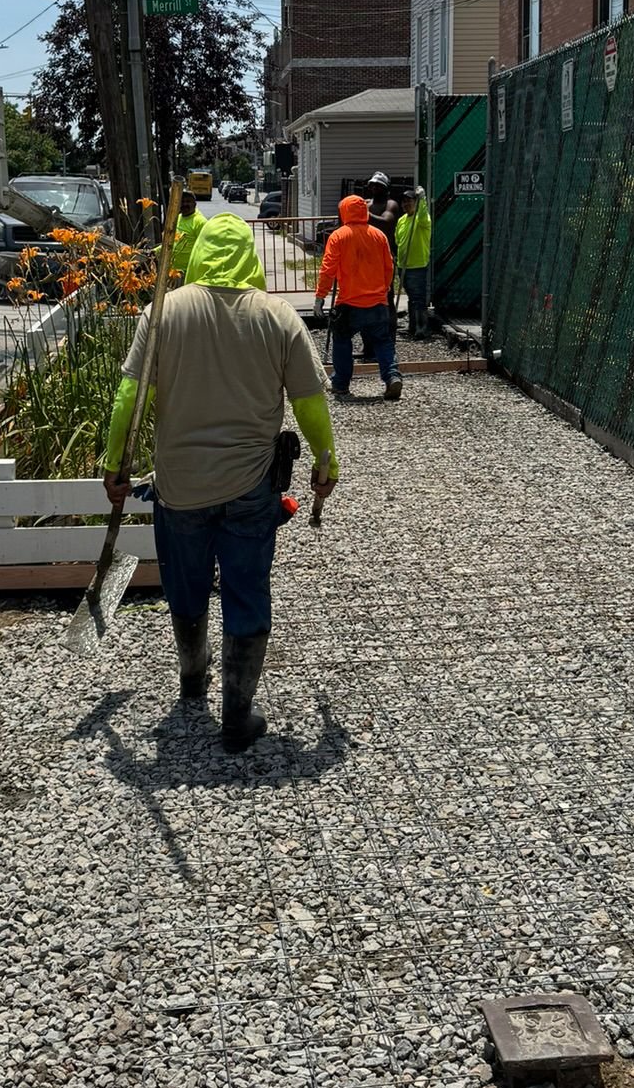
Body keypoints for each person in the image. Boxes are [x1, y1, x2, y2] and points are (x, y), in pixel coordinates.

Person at [101, 214, 337, 751]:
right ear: (250, 258)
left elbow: (127, 399)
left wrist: (115, 465)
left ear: (200, 254)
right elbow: (309, 403)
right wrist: (327, 462)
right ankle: (238, 712)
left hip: (179, 487)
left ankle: (192, 678)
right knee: (245, 589)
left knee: (184, 586)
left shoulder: (164, 313)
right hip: (252, 489)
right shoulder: (277, 317)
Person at [315, 194, 402, 401]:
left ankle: (341, 384)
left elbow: (328, 269)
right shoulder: (378, 235)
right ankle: (392, 377)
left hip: (349, 302)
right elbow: (389, 267)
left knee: (342, 341)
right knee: (383, 342)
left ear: (344, 211)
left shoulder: (338, 236)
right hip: (377, 302)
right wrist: (383, 290)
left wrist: (320, 297)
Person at [395, 185, 433, 340]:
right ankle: (412, 326)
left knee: (418, 298)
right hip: (403, 266)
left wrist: (422, 199)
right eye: (404, 202)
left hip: (417, 266)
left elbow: (423, 215)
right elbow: (398, 240)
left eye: (409, 201)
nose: (406, 204)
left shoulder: (422, 219)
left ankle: (422, 328)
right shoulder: (402, 220)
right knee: (412, 297)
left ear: (415, 202)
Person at [172, 188, 205, 275]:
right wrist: (154, 251)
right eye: (182, 201)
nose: (184, 204)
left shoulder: (199, 222)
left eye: (188, 201)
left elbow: (206, 248)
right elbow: (172, 242)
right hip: (174, 271)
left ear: (195, 204)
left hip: (190, 273)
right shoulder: (178, 218)